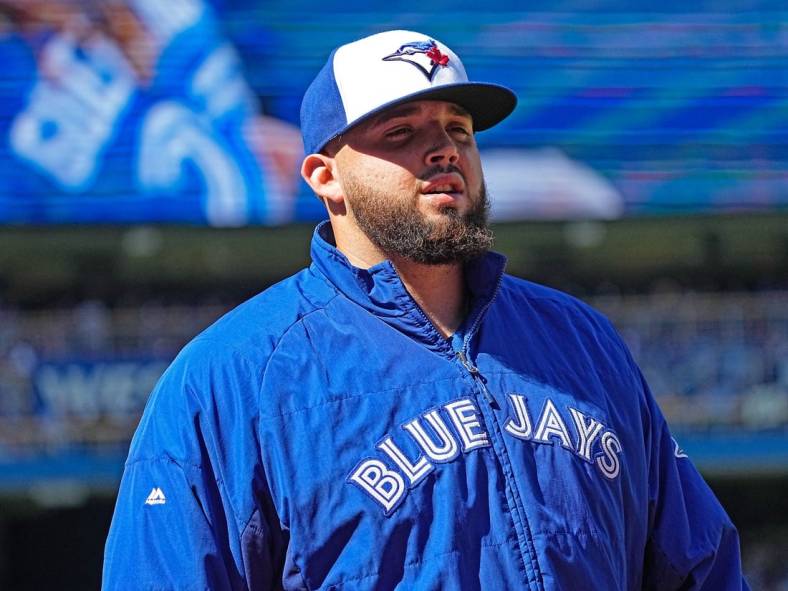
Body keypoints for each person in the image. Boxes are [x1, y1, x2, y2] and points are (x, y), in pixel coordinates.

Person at [102, 30, 749, 590]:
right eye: (402, 132)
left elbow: (700, 565)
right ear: (325, 176)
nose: (443, 150)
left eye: (457, 129)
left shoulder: (582, 342)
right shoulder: (230, 377)